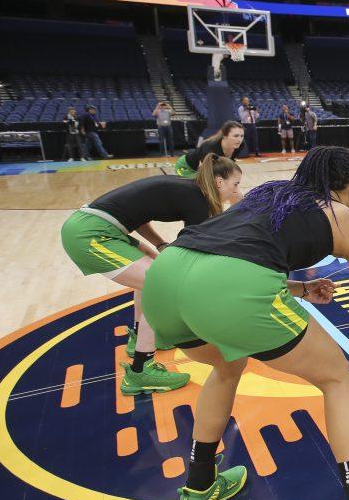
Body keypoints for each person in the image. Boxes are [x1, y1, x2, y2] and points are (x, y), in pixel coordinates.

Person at [140, 147, 349, 500]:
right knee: (336, 377)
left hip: (164, 280)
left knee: (226, 365)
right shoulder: (341, 215)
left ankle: (199, 490)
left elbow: (225, 254)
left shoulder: (267, 193)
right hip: (227, 287)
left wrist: (301, 290)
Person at [60, 155, 242, 395]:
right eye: (236, 184)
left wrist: (159, 244)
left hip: (100, 226)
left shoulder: (189, 188)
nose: (238, 190)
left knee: (154, 274)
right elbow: (193, 253)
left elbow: (138, 215)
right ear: (219, 182)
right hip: (89, 234)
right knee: (160, 286)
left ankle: (139, 337)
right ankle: (139, 371)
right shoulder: (198, 200)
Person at [175, 121, 243, 178]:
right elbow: (205, 173)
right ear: (224, 135)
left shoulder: (240, 145)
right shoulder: (210, 147)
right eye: (236, 136)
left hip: (204, 168)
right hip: (185, 167)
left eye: (242, 136)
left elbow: (229, 165)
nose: (240, 139)